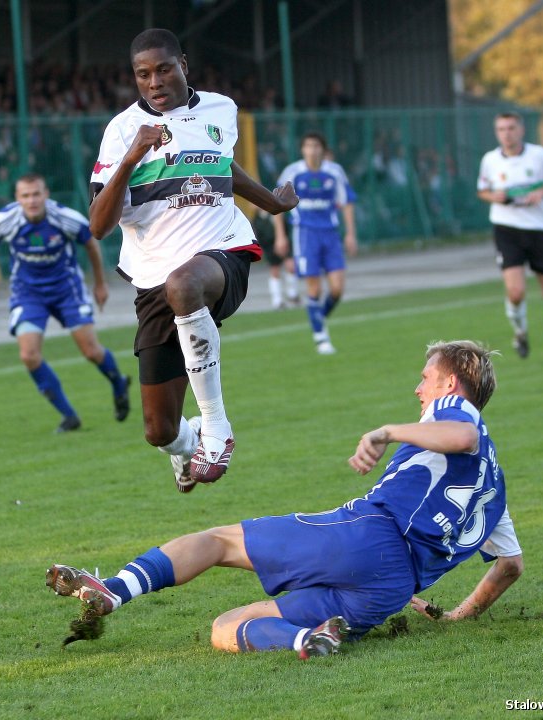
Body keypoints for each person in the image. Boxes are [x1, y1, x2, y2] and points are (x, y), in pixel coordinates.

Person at [45, 340, 523, 659]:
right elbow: (509, 566)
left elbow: (461, 434)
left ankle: (115, 589)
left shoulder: (453, 409)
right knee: (225, 627)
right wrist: (459, 614)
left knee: (216, 541)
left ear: (451, 384)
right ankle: (305, 640)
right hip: (390, 592)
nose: (418, 388)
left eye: (425, 378)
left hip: (369, 538)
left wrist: (387, 432)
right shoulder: (495, 487)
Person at [87, 28, 298, 492]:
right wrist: (132, 157)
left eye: (163, 69)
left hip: (223, 253)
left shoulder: (222, 108)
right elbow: (99, 226)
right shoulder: (122, 130)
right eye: (143, 74)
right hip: (152, 278)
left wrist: (271, 202)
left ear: (184, 64)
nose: (155, 82)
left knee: (184, 284)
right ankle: (190, 442)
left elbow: (220, 165)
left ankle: (216, 426)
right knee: (158, 430)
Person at [0, 173, 131, 433]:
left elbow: (91, 244)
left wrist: (100, 284)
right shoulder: (4, 220)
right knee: (28, 356)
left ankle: (118, 384)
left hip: (67, 290)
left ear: (46, 195)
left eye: (36, 194)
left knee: (90, 351)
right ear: (17, 198)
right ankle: (69, 416)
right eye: (25, 195)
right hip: (28, 293)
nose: (31, 200)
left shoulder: (65, 218)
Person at [477, 111, 543, 363]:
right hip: (506, 229)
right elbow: (482, 190)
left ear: (521, 130)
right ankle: (520, 333)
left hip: (538, 229)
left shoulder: (539, 155)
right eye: (501, 129)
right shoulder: (490, 160)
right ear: (496, 132)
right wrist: (493, 197)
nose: (506, 134)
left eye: (511, 128)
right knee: (516, 291)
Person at [274, 132, 357, 354]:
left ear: (323, 149)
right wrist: (281, 235)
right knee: (315, 288)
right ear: (302, 150)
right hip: (305, 235)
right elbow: (276, 203)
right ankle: (321, 338)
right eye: (308, 146)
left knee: (338, 289)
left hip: (330, 234)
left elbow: (347, 202)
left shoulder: (334, 171)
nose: (312, 150)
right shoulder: (293, 172)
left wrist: (350, 233)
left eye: (316, 146)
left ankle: (317, 318)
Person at [251, 207, 299, 310]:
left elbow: (285, 227)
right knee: (275, 269)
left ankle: (292, 294)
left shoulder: (275, 213)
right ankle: (277, 300)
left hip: (283, 242)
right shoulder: (257, 219)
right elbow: (259, 235)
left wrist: (282, 239)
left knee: (290, 265)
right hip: (269, 246)